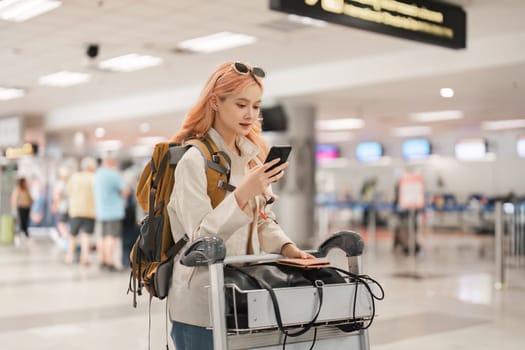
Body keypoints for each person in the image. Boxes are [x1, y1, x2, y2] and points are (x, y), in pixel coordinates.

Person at [166, 61, 313, 349]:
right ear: (215, 103)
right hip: (201, 306)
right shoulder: (193, 161)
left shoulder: (252, 159)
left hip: (248, 295)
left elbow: (261, 219)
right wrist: (242, 194)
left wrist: (287, 248)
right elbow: (200, 240)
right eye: (241, 104)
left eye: (256, 106)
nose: (250, 115)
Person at [94, 155, 128, 271]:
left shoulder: (98, 174)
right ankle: (110, 262)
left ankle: (102, 261)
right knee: (111, 237)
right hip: (113, 211)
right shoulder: (114, 175)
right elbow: (125, 192)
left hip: (100, 211)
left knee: (102, 237)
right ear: (112, 162)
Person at [66, 157, 97, 265]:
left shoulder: (74, 177)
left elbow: (68, 192)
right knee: (86, 236)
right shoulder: (93, 178)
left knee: (72, 235)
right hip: (89, 211)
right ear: (90, 167)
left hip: (75, 211)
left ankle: (69, 257)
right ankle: (85, 258)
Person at [11, 177, 33, 244]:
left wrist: (31, 202)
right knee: (21, 221)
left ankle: (25, 233)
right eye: (24, 181)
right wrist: (14, 207)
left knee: (26, 221)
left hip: (27, 207)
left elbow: (29, 197)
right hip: (20, 208)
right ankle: (20, 233)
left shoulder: (26, 189)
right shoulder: (17, 189)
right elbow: (14, 199)